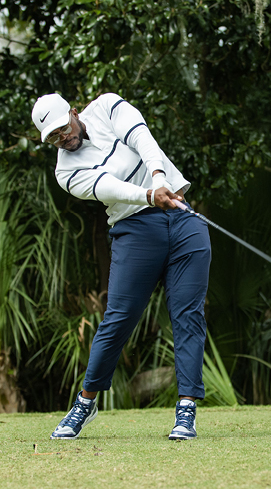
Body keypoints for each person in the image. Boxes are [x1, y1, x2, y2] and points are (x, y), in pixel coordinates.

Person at [32, 92, 211, 440]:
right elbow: (109, 187)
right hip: (135, 229)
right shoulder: (65, 171)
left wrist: (159, 178)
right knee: (119, 317)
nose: (62, 138)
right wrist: (148, 194)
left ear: (73, 112)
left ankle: (186, 410)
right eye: (52, 136)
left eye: (62, 127)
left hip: (183, 217)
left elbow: (143, 138)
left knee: (188, 316)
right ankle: (85, 403)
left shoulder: (106, 107)